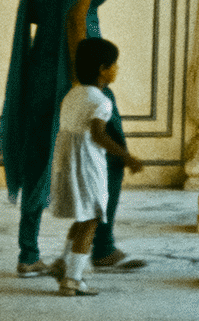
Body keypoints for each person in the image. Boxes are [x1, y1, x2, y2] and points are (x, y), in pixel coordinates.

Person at [0, 0, 146, 276]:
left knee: (37, 155)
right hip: (79, 68)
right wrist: (85, 81)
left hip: (39, 69)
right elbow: (76, 20)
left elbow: (33, 14)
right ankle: (102, 245)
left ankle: (28, 254)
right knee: (112, 152)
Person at [50, 37, 143, 294]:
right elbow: (98, 135)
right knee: (91, 220)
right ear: (103, 69)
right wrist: (127, 156)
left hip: (67, 163)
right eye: (114, 65)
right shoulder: (101, 101)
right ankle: (73, 278)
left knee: (82, 217)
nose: (117, 69)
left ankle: (63, 263)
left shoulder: (72, 94)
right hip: (87, 165)